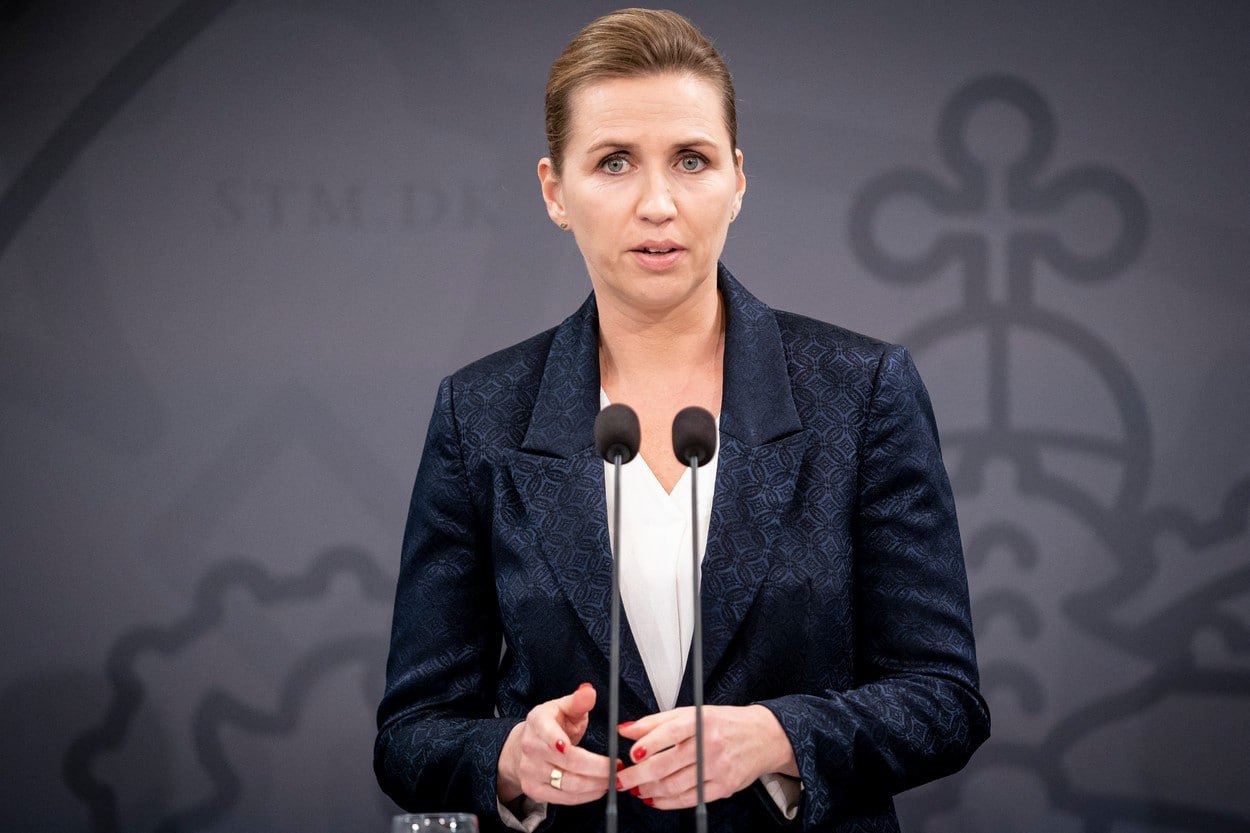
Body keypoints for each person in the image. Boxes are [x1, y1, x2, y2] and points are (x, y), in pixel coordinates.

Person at [375, 9, 989, 832]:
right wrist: (509, 759)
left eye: (691, 160)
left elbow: (944, 699)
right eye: (614, 162)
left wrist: (776, 737)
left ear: (737, 180)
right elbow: (411, 735)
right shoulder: (480, 412)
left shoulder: (862, 391)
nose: (658, 203)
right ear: (555, 191)